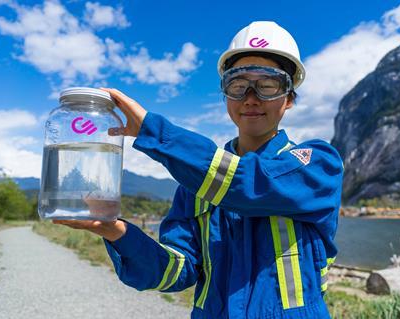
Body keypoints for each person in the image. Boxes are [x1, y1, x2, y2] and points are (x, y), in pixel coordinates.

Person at [54, 21, 343, 318]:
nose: (251, 97)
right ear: (225, 95)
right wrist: (117, 232)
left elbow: (250, 184)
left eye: (268, 85)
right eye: (238, 84)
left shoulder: (318, 163)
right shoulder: (197, 184)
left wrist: (157, 134)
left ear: (290, 98)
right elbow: (177, 270)